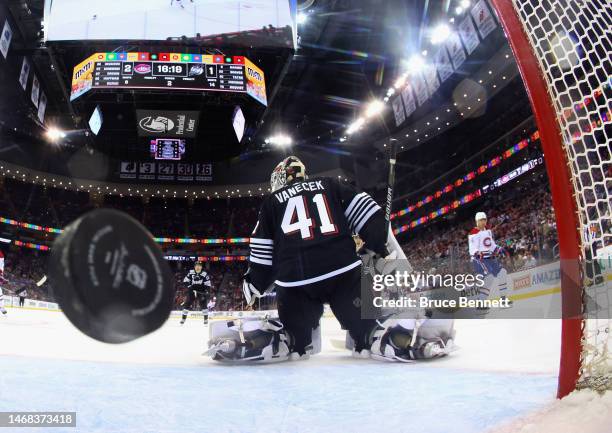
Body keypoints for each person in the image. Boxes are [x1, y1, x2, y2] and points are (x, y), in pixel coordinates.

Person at [208, 156, 454, 362]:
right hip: (344, 273)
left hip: (297, 284)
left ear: (279, 180)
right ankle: (380, 337)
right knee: (365, 326)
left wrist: (254, 285)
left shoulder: (272, 203)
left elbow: (263, 253)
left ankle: (292, 340)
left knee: (296, 334)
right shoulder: (331, 184)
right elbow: (369, 212)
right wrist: (376, 244)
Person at [468, 211, 512, 308]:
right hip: (479, 260)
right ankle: (481, 303)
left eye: (484, 220)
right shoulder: (473, 233)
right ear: (477, 221)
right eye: (481, 220)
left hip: (489, 258)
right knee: (489, 278)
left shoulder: (488, 231)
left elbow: (491, 245)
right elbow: (472, 248)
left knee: (502, 273)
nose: (483, 222)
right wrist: (477, 253)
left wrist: (500, 249)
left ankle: (503, 299)